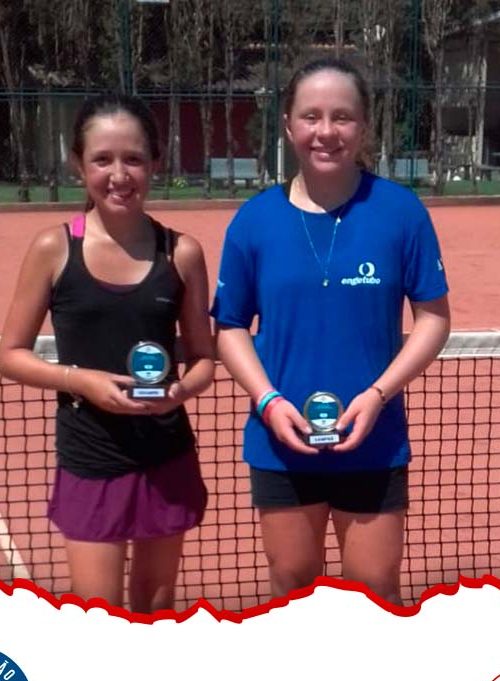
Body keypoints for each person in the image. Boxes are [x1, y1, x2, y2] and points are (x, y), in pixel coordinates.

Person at [211, 58, 450, 605]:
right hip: (281, 442)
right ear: (288, 125)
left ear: (363, 126)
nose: (326, 131)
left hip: (374, 440)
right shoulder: (254, 220)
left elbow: (434, 319)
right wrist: (268, 401)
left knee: (375, 592)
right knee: (291, 588)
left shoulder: (401, 212)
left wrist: (378, 395)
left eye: (341, 117)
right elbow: (229, 325)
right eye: (311, 116)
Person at [0, 94, 214, 613]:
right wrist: (81, 380)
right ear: (78, 163)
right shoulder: (54, 248)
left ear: (155, 162)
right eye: (102, 159)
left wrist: (179, 392)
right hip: (91, 456)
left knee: (155, 610)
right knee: (97, 616)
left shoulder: (181, 253)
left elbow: (204, 358)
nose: (119, 175)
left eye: (133, 159)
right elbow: (10, 353)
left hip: (165, 454)